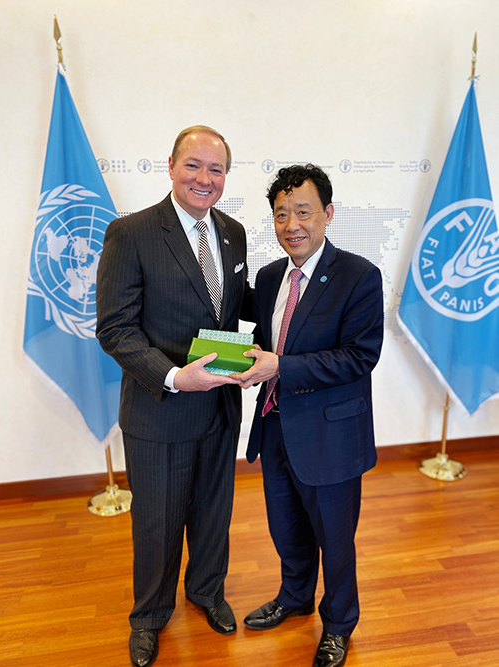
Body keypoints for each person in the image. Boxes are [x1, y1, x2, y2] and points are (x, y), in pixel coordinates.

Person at [96, 125, 253, 667]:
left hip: (220, 407)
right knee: (158, 523)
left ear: (225, 177)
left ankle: (207, 591)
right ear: (171, 165)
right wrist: (172, 376)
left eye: (215, 169)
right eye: (194, 166)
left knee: (214, 511)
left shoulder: (232, 232)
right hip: (159, 409)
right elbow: (115, 329)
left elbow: (232, 313)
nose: (204, 179)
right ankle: (149, 617)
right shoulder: (131, 233)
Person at [232, 164, 383, 667]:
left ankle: (339, 624)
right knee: (285, 528)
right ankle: (294, 598)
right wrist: (232, 356)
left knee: (335, 539)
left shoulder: (359, 275)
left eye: (303, 211)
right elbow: (270, 343)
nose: (291, 223)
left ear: (327, 214)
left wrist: (280, 365)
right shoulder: (271, 276)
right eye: (281, 214)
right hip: (276, 424)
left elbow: (360, 356)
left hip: (330, 434)